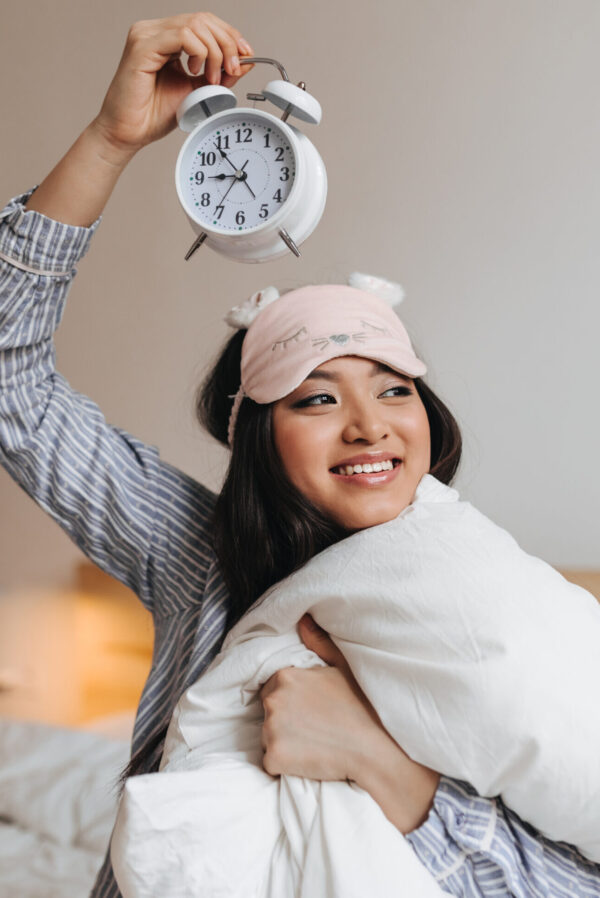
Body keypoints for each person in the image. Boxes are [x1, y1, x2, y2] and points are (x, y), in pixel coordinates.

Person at [0, 12, 598, 898]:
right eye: (317, 398)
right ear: (259, 441)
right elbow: (14, 388)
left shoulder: (485, 612)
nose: (370, 426)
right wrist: (111, 139)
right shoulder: (200, 558)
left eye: (395, 389)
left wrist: (390, 773)